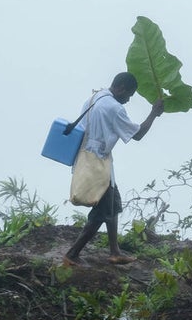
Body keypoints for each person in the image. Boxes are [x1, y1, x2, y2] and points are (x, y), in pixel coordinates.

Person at [63, 72, 164, 266]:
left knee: (113, 204)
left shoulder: (96, 97)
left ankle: (114, 251)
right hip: (97, 162)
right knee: (102, 212)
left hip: (90, 157)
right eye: (129, 95)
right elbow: (137, 134)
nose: (128, 100)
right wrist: (154, 113)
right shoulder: (114, 108)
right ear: (121, 88)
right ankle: (72, 254)